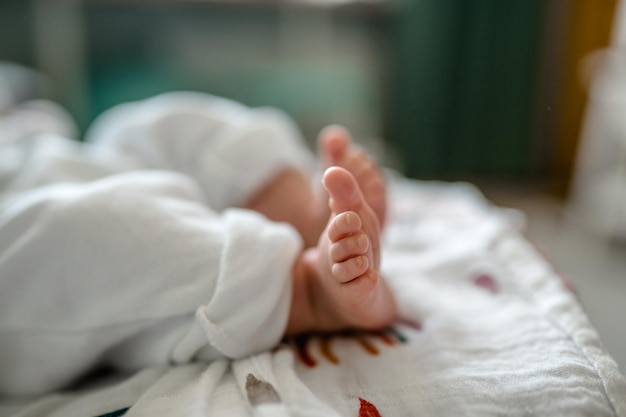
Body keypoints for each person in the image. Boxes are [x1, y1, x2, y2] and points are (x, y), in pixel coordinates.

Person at [0, 92, 396, 396]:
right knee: (81, 235)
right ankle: (305, 289)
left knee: (133, 127)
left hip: (37, 158)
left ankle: (297, 210)